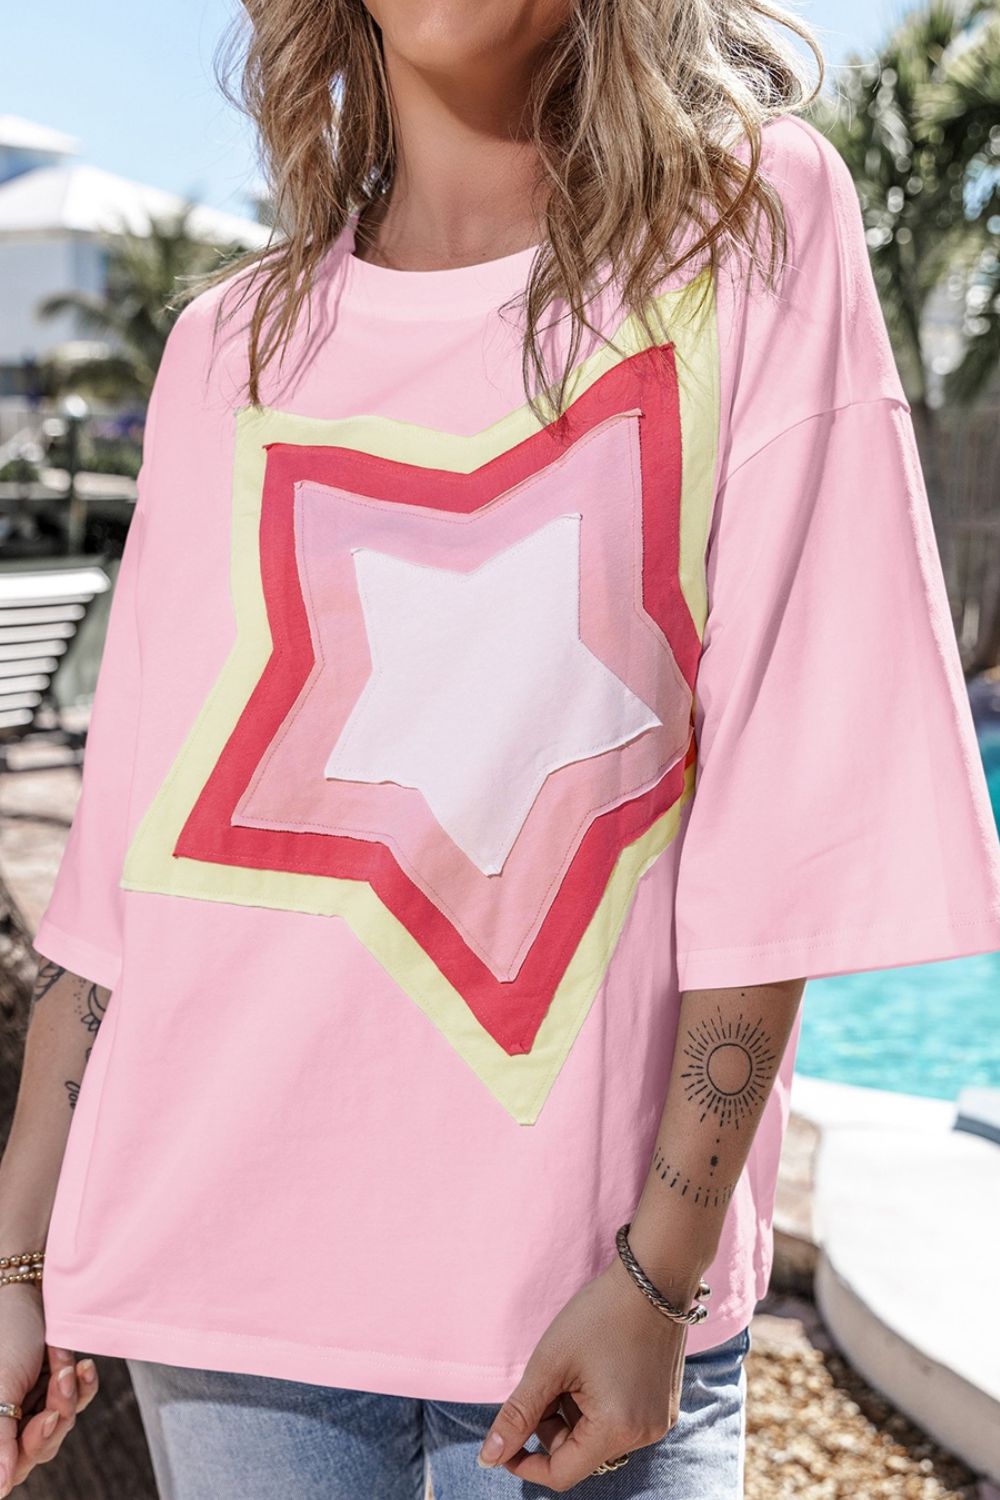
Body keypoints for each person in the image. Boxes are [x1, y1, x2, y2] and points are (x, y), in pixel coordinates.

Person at [2, 2, 1000, 1496]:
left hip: (585, 1300)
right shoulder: (224, 350)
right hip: (218, 1277)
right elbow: (123, 871)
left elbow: (783, 815)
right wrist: (15, 1256)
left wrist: (661, 1273)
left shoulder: (756, 226)